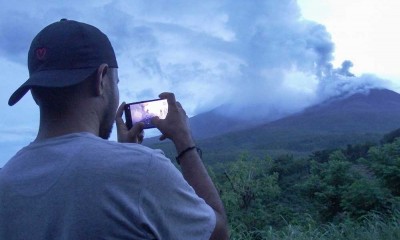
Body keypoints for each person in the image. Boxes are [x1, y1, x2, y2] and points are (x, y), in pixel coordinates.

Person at [0, 19, 228, 240]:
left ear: (35, 92)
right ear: (101, 78)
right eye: (116, 82)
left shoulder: (5, 181)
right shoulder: (143, 171)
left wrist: (126, 154)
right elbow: (216, 234)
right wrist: (184, 142)